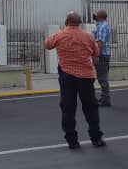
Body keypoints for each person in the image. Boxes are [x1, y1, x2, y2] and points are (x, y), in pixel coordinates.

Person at [44, 11, 105, 150]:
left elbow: (47, 44)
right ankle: (96, 138)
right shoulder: (88, 36)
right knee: (90, 108)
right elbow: (96, 52)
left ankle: (72, 141)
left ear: (66, 21)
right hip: (86, 76)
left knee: (68, 109)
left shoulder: (60, 35)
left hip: (67, 76)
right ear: (80, 22)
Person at [93, 9, 112, 107]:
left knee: (102, 77)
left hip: (101, 55)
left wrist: (96, 55)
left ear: (99, 16)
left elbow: (100, 42)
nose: (94, 15)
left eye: (96, 14)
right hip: (106, 54)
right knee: (103, 76)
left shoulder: (101, 27)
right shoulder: (105, 25)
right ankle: (104, 98)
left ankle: (105, 99)